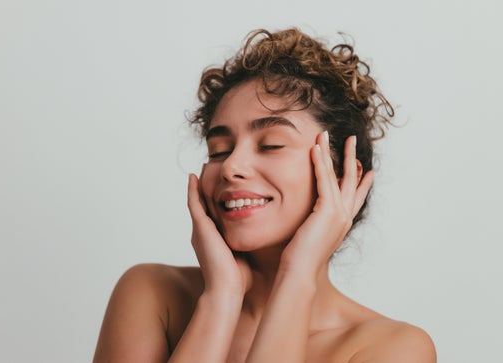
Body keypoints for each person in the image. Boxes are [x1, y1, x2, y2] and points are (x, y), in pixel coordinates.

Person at [93, 28, 436, 362]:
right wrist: (221, 298)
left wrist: (298, 274)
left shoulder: (394, 348)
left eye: (270, 144)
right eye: (219, 150)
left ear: (342, 176)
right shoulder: (152, 294)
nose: (231, 167)